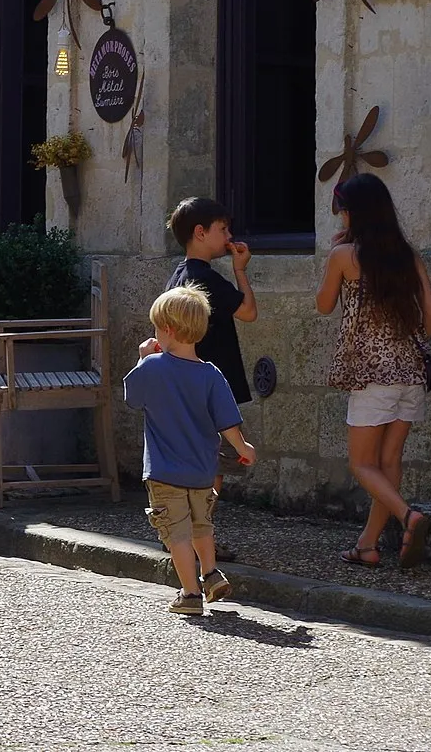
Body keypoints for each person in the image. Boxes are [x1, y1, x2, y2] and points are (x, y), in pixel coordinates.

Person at [314, 173, 431, 569]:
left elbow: (323, 304)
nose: (342, 218)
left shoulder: (345, 257)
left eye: (344, 211)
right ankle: (368, 545)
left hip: (372, 376)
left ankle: (408, 516)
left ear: (355, 213)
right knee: (389, 463)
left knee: (362, 464)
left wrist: (334, 256)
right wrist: (409, 345)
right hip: (411, 373)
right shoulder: (407, 255)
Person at [123, 286, 256, 617]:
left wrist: (141, 359)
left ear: (166, 330)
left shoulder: (152, 367)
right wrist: (244, 448)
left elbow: (132, 397)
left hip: (164, 472)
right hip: (201, 471)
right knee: (201, 525)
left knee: (175, 534)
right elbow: (227, 423)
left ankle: (190, 594)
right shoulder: (211, 374)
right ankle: (210, 573)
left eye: (156, 327)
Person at [163, 198, 257, 406]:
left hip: (187, 384)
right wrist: (240, 270)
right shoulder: (205, 278)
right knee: (228, 439)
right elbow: (248, 312)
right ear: (200, 232)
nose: (229, 236)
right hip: (210, 386)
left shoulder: (178, 276)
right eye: (223, 229)